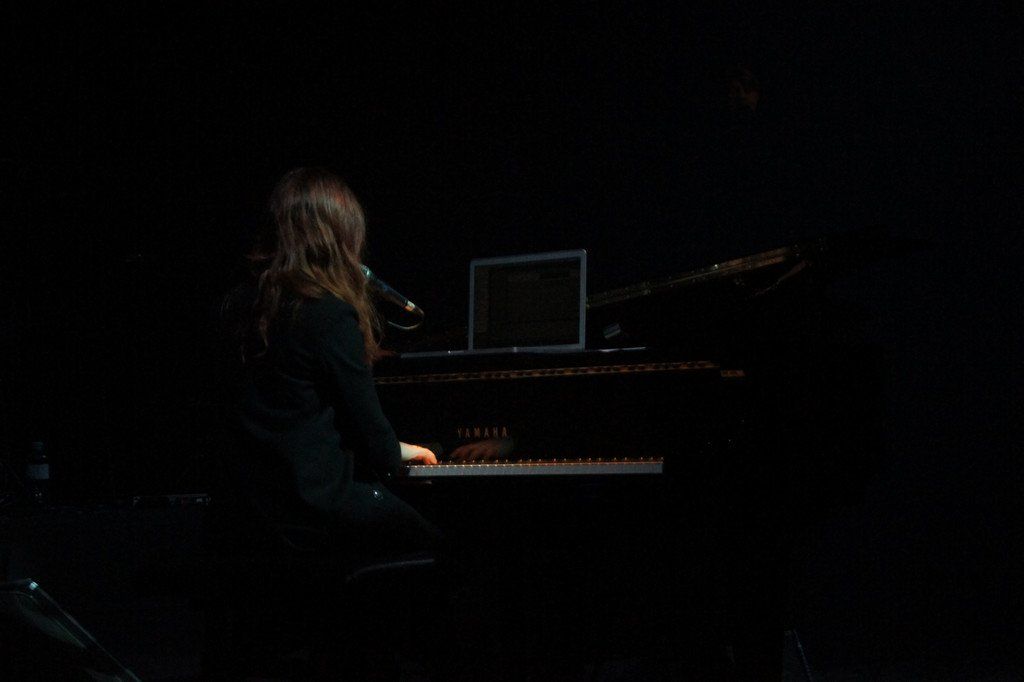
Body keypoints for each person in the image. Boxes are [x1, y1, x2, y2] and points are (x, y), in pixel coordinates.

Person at [221, 166, 441, 557]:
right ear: (339, 236)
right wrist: (401, 450)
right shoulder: (328, 314)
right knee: (442, 550)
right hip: (316, 509)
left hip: (247, 511)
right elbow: (375, 445)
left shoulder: (236, 305)